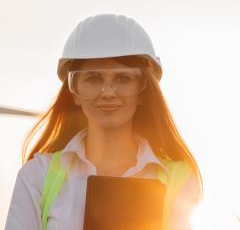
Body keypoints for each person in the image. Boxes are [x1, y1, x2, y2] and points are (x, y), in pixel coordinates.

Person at [4, 13, 203, 230]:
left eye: (123, 78)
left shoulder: (180, 180)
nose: (108, 92)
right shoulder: (37, 176)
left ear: (143, 91)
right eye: (93, 78)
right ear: (74, 92)